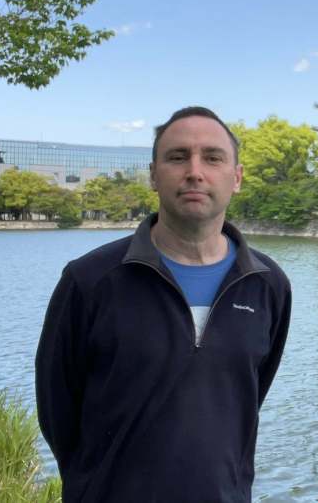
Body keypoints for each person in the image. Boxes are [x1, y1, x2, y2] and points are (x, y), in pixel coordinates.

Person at [35, 107, 292, 502]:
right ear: (154, 175)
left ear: (237, 177)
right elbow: (58, 412)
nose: (195, 171)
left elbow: (250, 396)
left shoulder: (267, 284)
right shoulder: (89, 281)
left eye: (213, 157)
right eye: (177, 157)